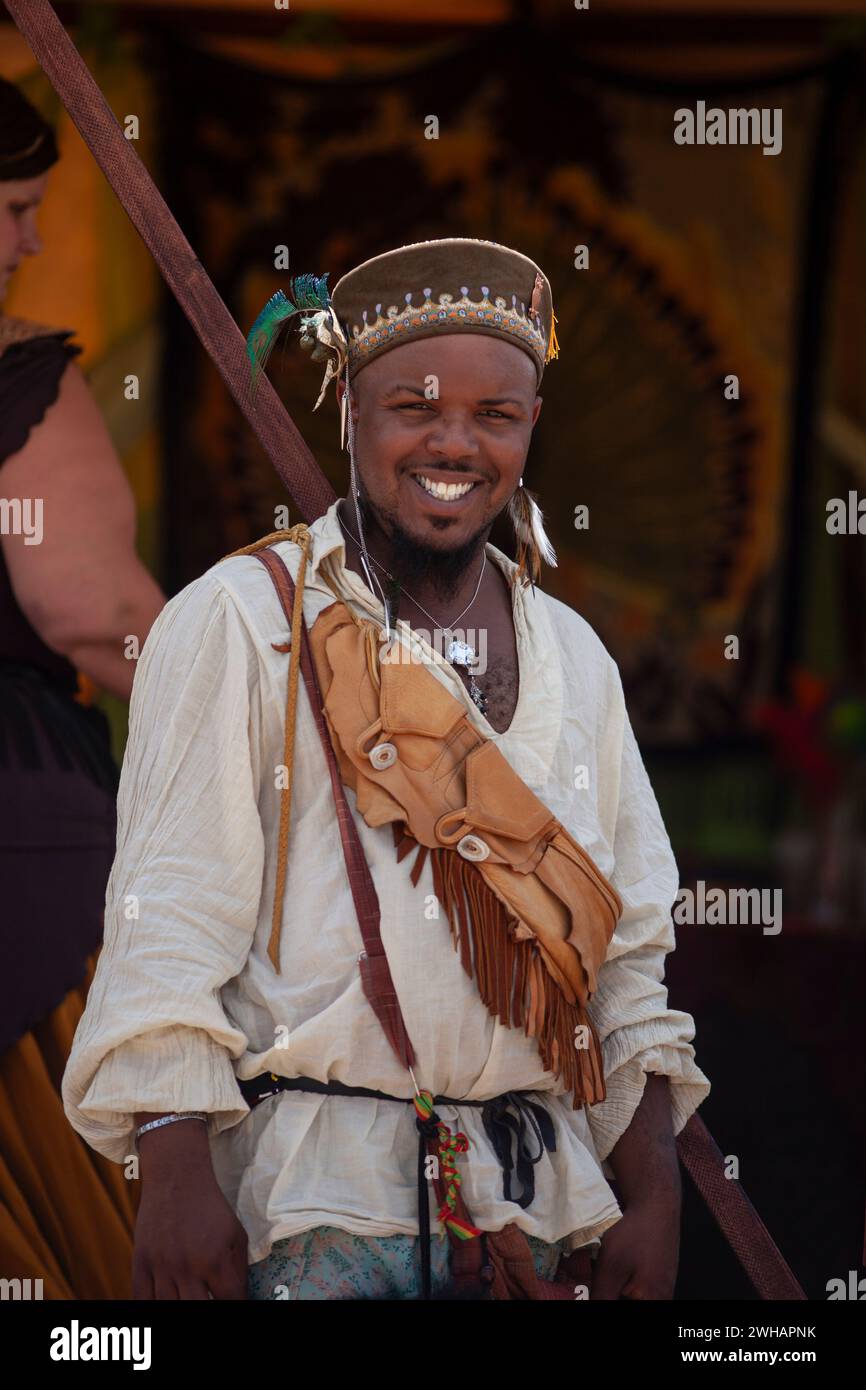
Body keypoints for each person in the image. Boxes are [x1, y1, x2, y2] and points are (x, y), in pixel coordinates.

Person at [62, 238, 710, 1300]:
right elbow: (168, 917)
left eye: (493, 415)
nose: (453, 442)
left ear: (530, 427)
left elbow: (623, 959)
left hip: (534, 1217)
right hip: (309, 1211)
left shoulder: (575, 659)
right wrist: (172, 1173)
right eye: (413, 405)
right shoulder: (241, 621)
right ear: (349, 411)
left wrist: (654, 1196)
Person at [0, 75, 165, 1299]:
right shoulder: (17, 383)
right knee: (92, 1245)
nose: (32, 241)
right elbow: (92, 611)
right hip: (20, 835)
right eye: (11, 209)